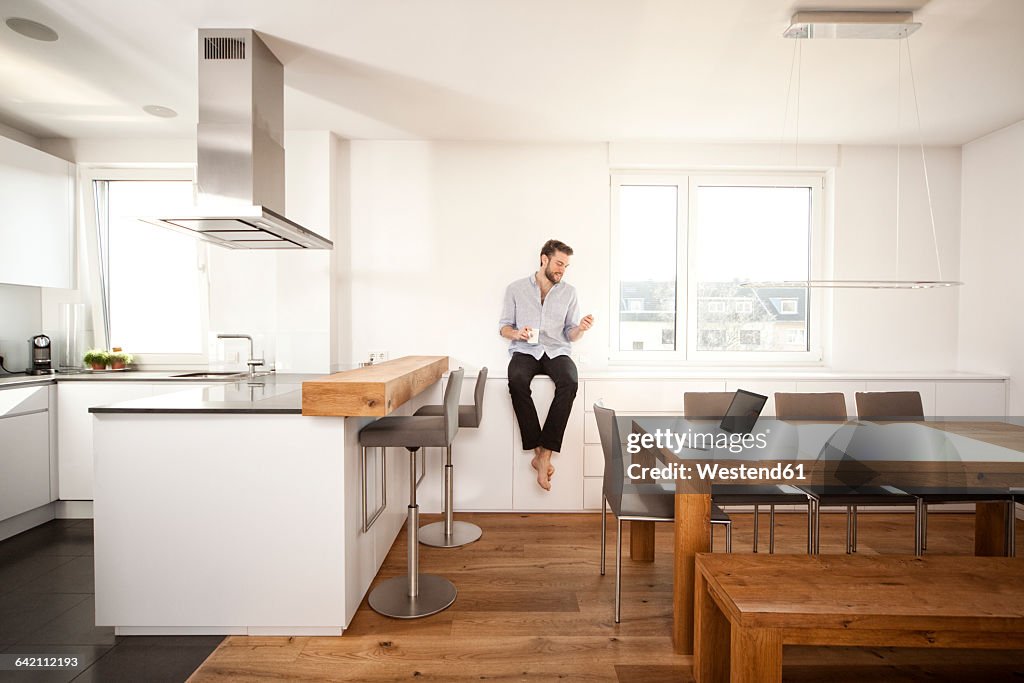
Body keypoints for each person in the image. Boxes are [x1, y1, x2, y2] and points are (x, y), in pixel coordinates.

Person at [499, 239, 594, 491]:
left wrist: (580, 329)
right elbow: (504, 327)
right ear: (544, 259)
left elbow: (570, 333)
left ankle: (545, 454)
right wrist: (517, 334)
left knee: (570, 382)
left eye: (566, 265)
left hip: (556, 350)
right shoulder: (515, 289)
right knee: (517, 381)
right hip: (525, 350)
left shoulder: (569, 292)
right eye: (559, 263)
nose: (562, 269)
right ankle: (539, 450)